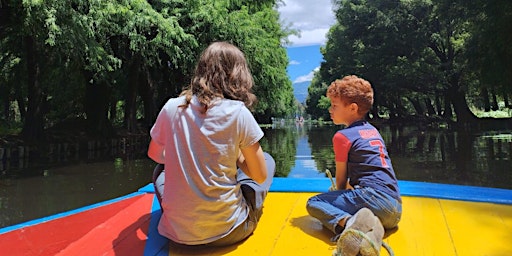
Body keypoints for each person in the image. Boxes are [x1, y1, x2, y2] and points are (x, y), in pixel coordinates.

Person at [147, 41, 275, 247]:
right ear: (239, 74)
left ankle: (180, 215)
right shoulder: (238, 112)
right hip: (229, 231)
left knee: (160, 170)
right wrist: (236, 158)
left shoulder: (172, 107)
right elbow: (259, 175)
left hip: (177, 235)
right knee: (266, 161)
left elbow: (155, 154)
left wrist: (185, 157)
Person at [306, 75, 402, 254]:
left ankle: (352, 224)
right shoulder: (372, 131)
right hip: (395, 209)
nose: (330, 110)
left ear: (352, 108)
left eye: (334, 105)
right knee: (349, 197)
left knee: (314, 203)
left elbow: (341, 180)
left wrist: (336, 196)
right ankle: (373, 227)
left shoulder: (343, 136)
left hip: (374, 199)